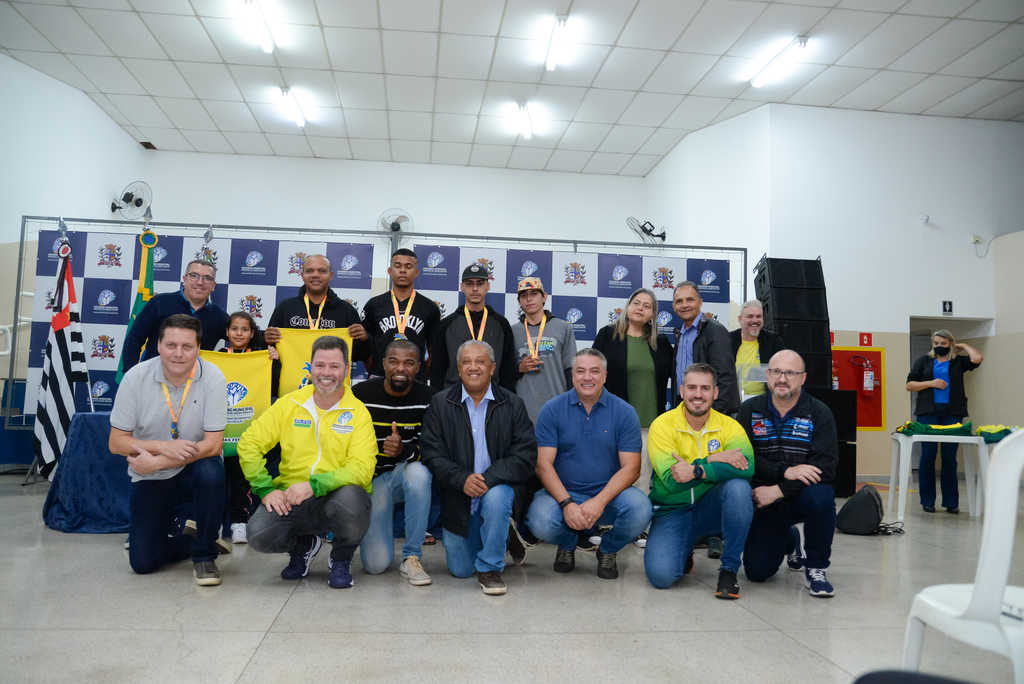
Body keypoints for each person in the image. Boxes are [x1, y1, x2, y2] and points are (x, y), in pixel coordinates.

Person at [237, 336, 376, 589]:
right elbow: (249, 443)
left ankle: (341, 558)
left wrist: (314, 485)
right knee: (258, 535)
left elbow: (362, 469)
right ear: (310, 367)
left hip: (337, 496)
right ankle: (304, 545)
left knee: (353, 500)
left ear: (346, 369)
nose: (326, 373)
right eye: (320, 365)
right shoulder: (290, 403)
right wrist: (265, 489)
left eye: (334, 366)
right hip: (293, 497)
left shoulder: (358, 413)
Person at [108, 314, 227, 586]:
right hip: (150, 474)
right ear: (159, 345)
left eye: (187, 346)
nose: (178, 353)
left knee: (211, 472)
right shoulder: (135, 378)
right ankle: (194, 539)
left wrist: (160, 461)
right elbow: (116, 442)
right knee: (142, 563)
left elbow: (213, 444)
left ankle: (205, 555)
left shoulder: (213, 377)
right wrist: (164, 447)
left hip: (192, 466)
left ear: (198, 348)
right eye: (171, 345)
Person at [420, 340, 537, 596]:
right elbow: (431, 452)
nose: (473, 367)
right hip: (458, 498)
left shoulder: (513, 404)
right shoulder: (440, 403)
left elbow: (526, 455)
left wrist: (489, 478)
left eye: (480, 362)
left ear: (492, 368)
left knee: (497, 497)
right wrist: (461, 479)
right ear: (459, 368)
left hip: (496, 490)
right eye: (467, 362)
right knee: (461, 569)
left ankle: (490, 568)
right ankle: (504, 534)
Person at [526, 349, 652, 579]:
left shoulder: (625, 412)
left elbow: (632, 469)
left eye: (594, 371)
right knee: (540, 520)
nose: (587, 377)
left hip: (610, 495)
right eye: (580, 371)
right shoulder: (552, 409)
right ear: (572, 375)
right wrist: (567, 504)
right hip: (563, 494)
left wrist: (599, 502)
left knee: (641, 509)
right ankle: (567, 543)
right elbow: (543, 465)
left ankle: (608, 549)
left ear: (604, 376)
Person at [643, 363, 754, 599]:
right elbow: (672, 481)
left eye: (705, 388)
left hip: (710, 509)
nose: (698, 394)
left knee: (738, 488)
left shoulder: (729, 426)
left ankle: (728, 570)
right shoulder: (662, 425)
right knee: (661, 577)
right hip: (672, 511)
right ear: (682, 391)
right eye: (692, 387)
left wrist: (697, 471)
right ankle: (685, 548)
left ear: (715, 392)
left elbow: (747, 467)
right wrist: (712, 459)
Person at [738, 349, 839, 597]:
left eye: (790, 373)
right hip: (764, 499)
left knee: (822, 496)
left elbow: (825, 469)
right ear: (768, 375)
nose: (782, 379)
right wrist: (785, 471)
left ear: (803, 378)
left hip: (801, 495)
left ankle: (816, 567)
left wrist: (780, 490)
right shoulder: (750, 410)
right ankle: (790, 539)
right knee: (757, 572)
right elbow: (745, 459)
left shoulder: (819, 413)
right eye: (776, 372)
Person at [352, 339, 433, 586]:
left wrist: (401, 450)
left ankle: (412, 557)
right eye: (394, 361)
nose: (400, 368)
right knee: (375, 566)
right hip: (373, 481)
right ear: (384, 364)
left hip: (403, 474)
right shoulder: (361, 394)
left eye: (409, 363)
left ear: (418, 367)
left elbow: (431, 451)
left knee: (419, 473)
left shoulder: (428, 397)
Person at [265, 254, 367, 394]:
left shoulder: (346, 310)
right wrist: (267, 340)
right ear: (302, 275)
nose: (315, 275)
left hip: (333, 392)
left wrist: (364, 338)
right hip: (292, 393)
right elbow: (268, 350)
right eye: (310, 271)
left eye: (322, 271)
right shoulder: (285, 308)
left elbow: (358, 354)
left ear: (330, 275)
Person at [905, 330, 983, 514]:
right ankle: (927, 501)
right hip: (928, 413)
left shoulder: (958, 362)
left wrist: (963, 346)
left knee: (949, 457)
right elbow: (910, 385)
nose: (939, 346)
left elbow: (977, 358)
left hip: (952, 413)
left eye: (943, 343)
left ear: (950, 344)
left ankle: (951, 502)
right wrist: (931, 383)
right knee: (928, 455)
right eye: (936, 343)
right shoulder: (923, 361)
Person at [218, 311, 277, 544]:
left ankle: (239, 523)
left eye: (245, 329)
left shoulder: (260, 357)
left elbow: (274, 385)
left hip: (247, 432)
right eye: (234, 329)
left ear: (252, 333)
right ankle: (214, 524)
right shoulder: (217, 356)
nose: (239, 333)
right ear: (227, 332)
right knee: (217, 480)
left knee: (242, 481)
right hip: (222, 432)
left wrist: (273, 360)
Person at [120, 259, 230, 374]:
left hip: (195, 380)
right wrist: (130, 373)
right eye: (194, 276)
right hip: (155, 377)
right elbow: (134, 339)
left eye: (207, 278)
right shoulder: (159, 303)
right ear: (184, 280)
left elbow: (240, 340)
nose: (200, 282)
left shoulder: (219, 316)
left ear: (213, 286)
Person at [430, 264, 517, 393]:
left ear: (488, 286)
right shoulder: (446, 325)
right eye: (469, 284)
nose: (475, 288)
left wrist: (505, 400)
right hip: (454, 398)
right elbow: (437, 370)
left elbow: (508, 369)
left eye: (480, 283)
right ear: (462, 287)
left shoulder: (501, 324)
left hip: (492, 398)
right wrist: (438, 400)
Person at [360, 248, 440, 382]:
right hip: (379, 377)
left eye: (408, 266)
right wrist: (375, 369)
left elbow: (434, 350)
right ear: (390, 271)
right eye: (397, 266)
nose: (403, 270)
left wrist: (421, 374)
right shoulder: (374, 305)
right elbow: (365, 347)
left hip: (415, 379)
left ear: (416, 272)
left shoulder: (429, 307)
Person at [511, 277, 576, 424]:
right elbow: (505, 373)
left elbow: (571, 370)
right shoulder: (512, 331)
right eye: (524, 296)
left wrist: (572, 406)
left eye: (534, 294)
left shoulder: (564, 328)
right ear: (519, 301)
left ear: (544, 297)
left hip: (557, 408)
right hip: (523, 411)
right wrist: (519, 368)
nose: (529, 299)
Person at [671, 282, 739, 415]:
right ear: (674, 307)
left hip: (710, 412)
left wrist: (712, 414)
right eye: (679, 301)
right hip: (686, 408)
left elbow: (725, 379)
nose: (684, 305)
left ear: (700, 302)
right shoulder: (680, 334)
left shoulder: (715, 331)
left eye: (690, 300)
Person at [729, 299, 786, 401]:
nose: (755, 320)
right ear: (740, 319)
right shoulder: (728, 340)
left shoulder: (773, 341)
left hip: (763, 402)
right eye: (750, 316)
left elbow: (784, 370)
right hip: (733, 402)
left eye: (758, 316)